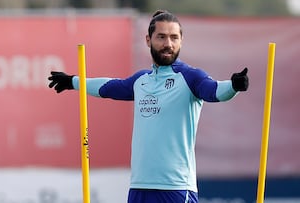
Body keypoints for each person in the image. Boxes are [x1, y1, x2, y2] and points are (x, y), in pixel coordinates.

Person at [48, 10, 248, 203]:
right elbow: (109, 87)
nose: (168, 44)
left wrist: (233, 86)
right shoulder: (141, 80)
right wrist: (73, 82)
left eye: (173, 37)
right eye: (161, 37)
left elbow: (214, 91)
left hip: (176, 188)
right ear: (148, 40)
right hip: (140, 187)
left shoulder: (191, 77)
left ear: (181, 41)